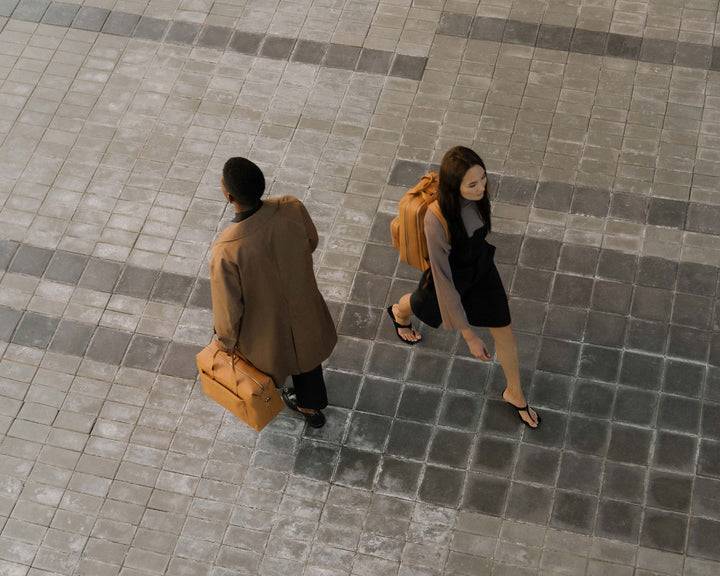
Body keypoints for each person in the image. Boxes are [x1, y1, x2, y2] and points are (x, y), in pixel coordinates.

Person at [387, 146, 540, 428]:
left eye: (483, 178)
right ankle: (398, 312)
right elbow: (443, 280)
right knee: (421, 304)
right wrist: (470, 337)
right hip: (450, 279)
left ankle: (515, 393)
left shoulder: (480, 194)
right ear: (454, 186)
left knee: (504, 330)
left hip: (480, 270)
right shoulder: (436, 219)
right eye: (472, 184)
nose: (482, 187)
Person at [209, 157, 337, 428]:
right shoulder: (291, 207)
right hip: (303, 306)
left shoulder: (226, 249)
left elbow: (229, 308)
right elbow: (311, 242)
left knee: (267, 362)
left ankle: (266, 402)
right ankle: (310, 406)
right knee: (306, 356)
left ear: (228, 196)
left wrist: (225, 341)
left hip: (263, 326)